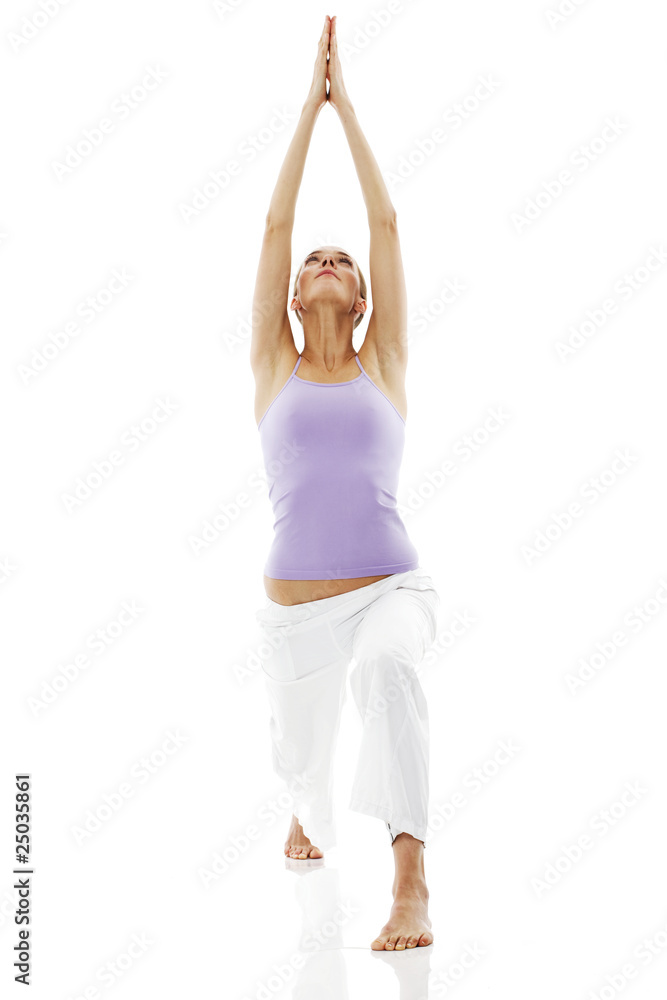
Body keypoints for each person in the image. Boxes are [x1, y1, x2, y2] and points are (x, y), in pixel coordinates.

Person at [250, 14, 440, 952]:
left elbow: (386, 223)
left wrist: (347, 108)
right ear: (295, 295)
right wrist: (303, 111)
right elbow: (279, 223)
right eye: (313, 263)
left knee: (391, 668)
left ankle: (411, 886)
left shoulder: (386, 359)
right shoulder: (271, 365)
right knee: (308, 787)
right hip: (295, 622)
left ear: (360, 299)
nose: (326, 260)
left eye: (342, 265)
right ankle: (309, 812)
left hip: (389, 592)